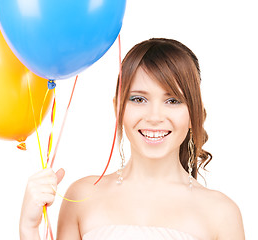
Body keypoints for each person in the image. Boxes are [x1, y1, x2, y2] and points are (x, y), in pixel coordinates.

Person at [19, 38, 245, 240]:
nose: (154, 117)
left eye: (173, 101)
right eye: (138, 99)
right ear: (118, 107)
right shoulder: (81, 197)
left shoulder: (221, 213)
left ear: (193, 113)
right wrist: (29, 228)